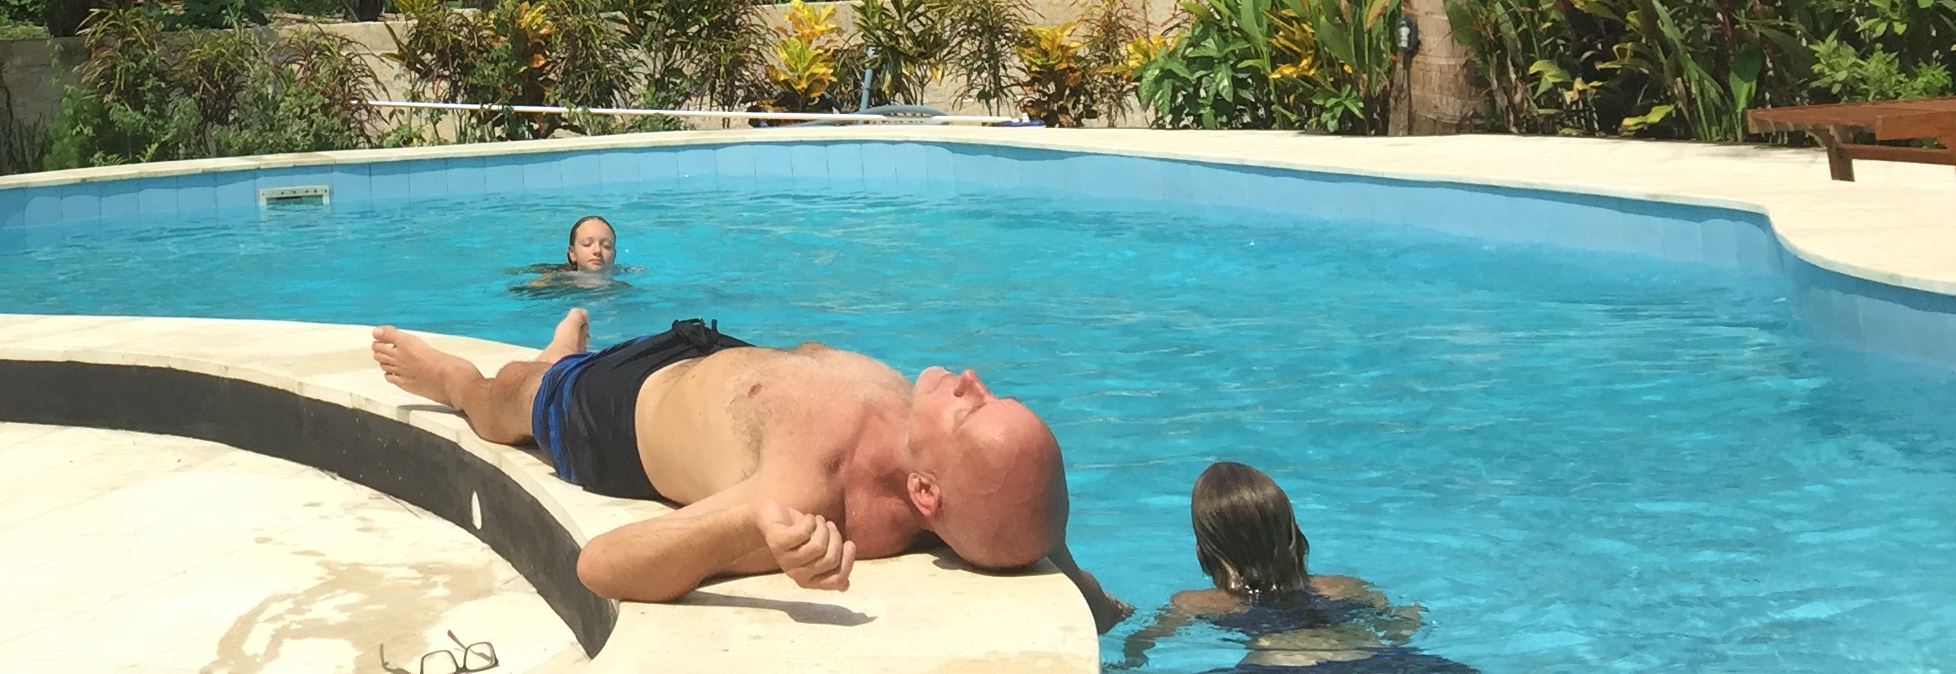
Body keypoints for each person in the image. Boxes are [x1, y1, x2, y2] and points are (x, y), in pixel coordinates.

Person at [369, 311, 1127, 628]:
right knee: (555, 367)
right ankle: (563, 350)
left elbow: (600, 565)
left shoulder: (807, 493)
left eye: (971, 408)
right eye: (991, 397)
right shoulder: (951, 463)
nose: (970, 381)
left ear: (925, 492)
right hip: (716, 352)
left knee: (506, 397)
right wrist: (1093, 596)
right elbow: (1026, 514)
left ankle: (462, 378)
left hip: (621, 409)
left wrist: (751, 525)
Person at [1120, 462, 1431, 669]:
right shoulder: (1343, 587)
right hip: (1375, 660)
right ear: (1298, 535)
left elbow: (1141, 643)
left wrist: (1126, 633)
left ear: (1202, 555)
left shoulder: (1197, 603)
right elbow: (1400, 629)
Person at [516, 214, 619, 292]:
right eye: (587, 244)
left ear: (614, 254)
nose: (597, 250)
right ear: (572, 253)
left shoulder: (621, 280)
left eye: (606, 246)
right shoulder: (554, 282)